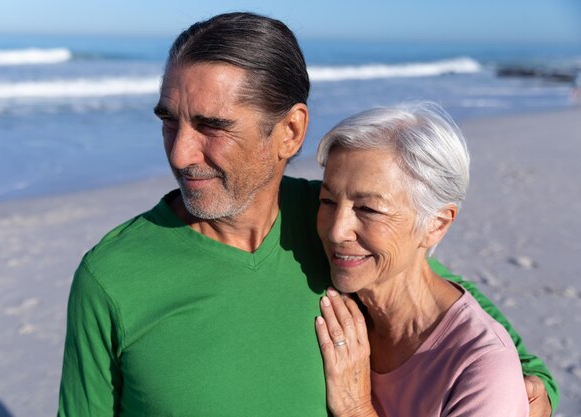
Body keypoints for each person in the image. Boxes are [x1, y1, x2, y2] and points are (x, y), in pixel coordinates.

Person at [57, 12, 557, 417]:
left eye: (212, 126)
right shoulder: (112, 277)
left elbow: (485, 340)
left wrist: (530, 392)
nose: (181, 153)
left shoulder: (340, 230)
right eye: (171, 121)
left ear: (291, 132)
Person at [314, 103, 534, 416]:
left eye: (368, 209)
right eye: (327, 200)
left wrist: (356, 407)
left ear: (436, 224)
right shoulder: (342, 308)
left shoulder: (482, 366)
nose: (336, 231)